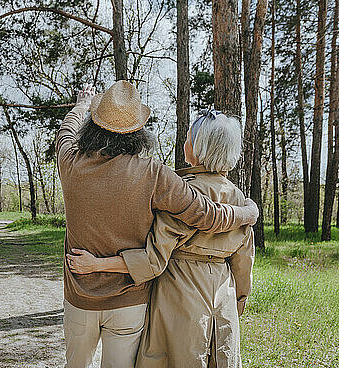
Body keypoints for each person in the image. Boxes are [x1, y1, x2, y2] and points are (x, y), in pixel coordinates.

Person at [57, 81, 258, 368]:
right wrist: (248, 213)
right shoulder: (156, 175)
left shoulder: (70, 161)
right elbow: (218, 226)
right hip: (157, 300)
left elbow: (65, 135)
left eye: (189, 137)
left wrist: (80, 106)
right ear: (138, 131)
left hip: (121, 298)